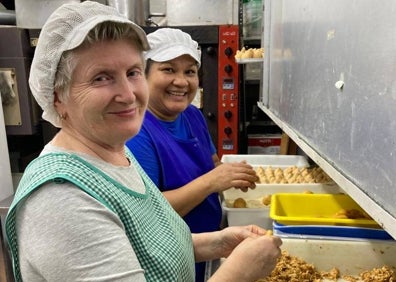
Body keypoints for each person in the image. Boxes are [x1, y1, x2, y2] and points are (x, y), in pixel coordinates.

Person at [5, 2, 282, 282]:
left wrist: (217, 243)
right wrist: (239, 272)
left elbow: (146, 247)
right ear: (57, 97)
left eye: (132, 72)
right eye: (101, 77)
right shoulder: (60, 199)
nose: (128, 94)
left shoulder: (117, 153)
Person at [125, 27, 260, 281]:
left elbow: (211, 162)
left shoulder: (191, 116)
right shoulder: (137, 133)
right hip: (172, 260)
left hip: (210, 244)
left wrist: (231, 177)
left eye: (190, 71)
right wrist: (212, 182)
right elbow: (146, 213)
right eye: (168, 69)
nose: (181, 81)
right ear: (142, 75)